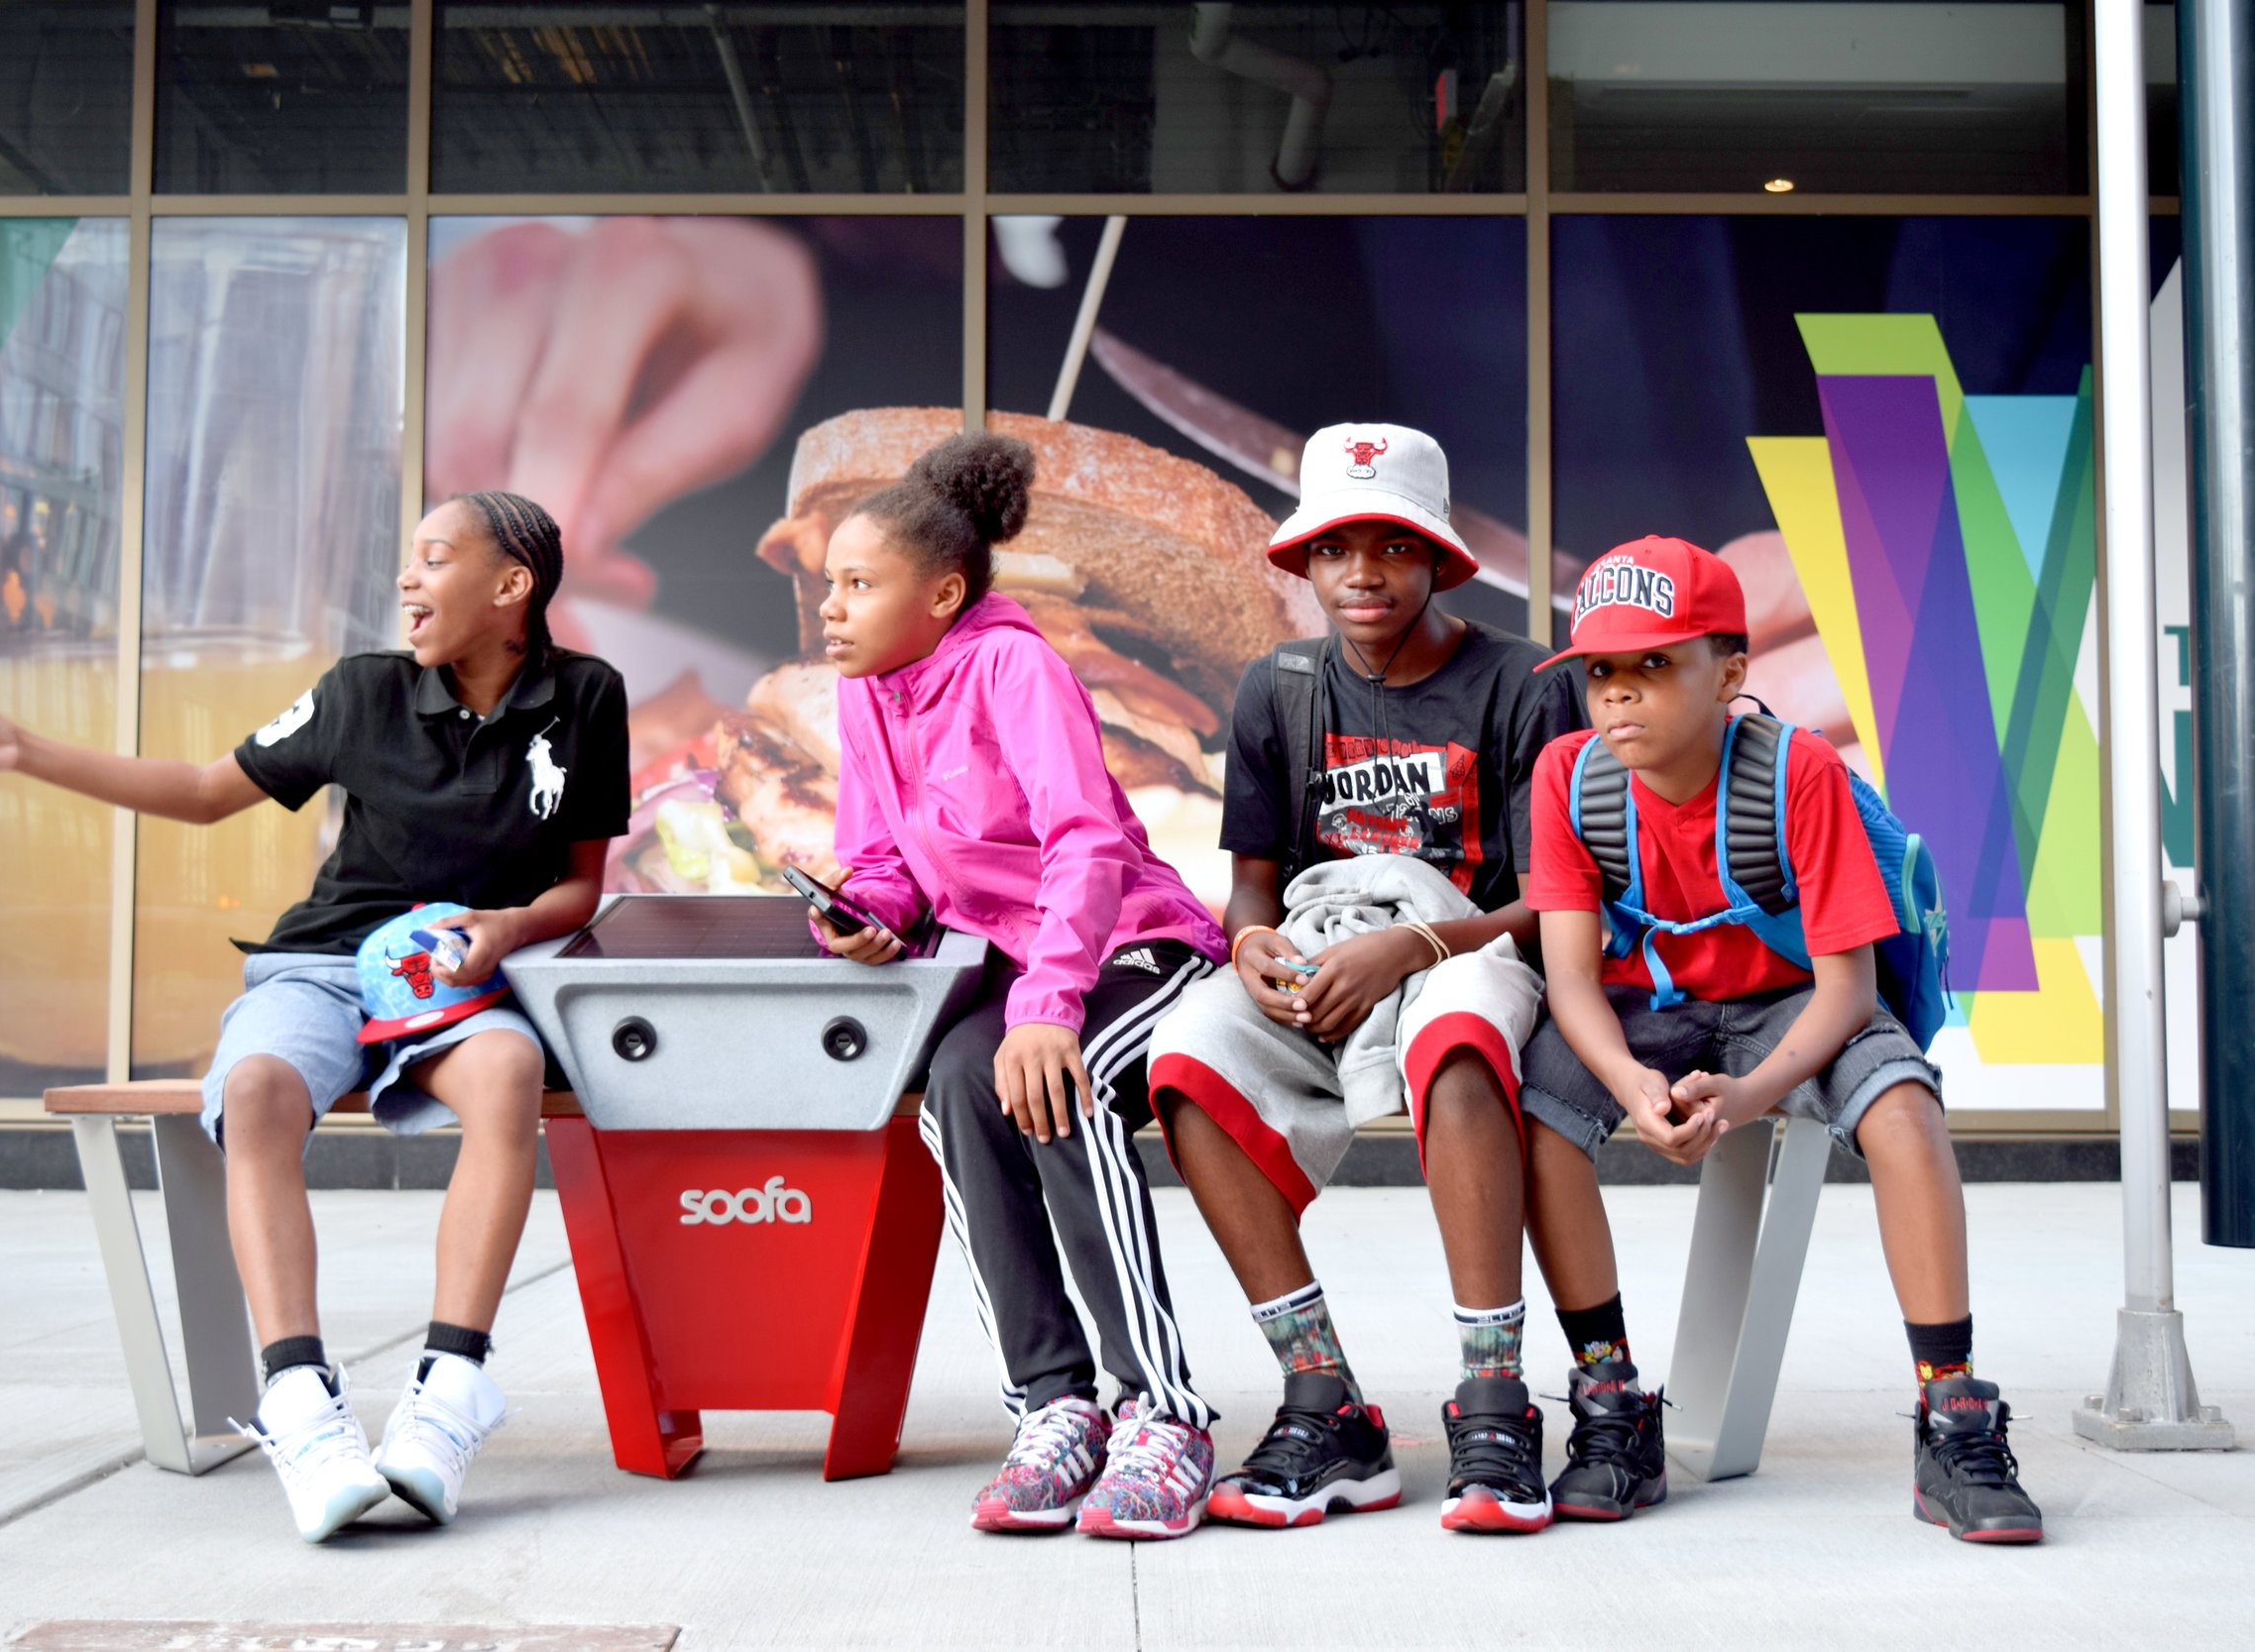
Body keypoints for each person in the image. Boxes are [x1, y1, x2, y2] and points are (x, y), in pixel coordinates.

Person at [0, 493, 629, 1543]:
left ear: (511, 586)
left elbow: (578, 887)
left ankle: (451, 1387)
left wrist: (507, 927)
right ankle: (299, 1397)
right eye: (409, 558)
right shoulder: (360, 690)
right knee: (250, 1088)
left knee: (510, 1076)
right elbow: (206, 792)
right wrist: (30, 753)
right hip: (325, 961)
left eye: (435, 557)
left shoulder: (585, 696)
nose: (407, 578)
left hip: (462, 970)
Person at [1148, 423, 1662, 1536]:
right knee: (1185, 1052)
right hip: (1322, 956)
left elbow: (1552, 901)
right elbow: (1248, 887)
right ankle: (1324, 1399)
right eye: (1337, 547)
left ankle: (1492, 1400)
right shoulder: (1274, 686)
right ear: (1302, 562)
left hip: (1473, 949)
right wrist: (1250, 950)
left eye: (1392, 544)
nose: (1363, 572)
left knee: (1463, 1032)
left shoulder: (1523, 679)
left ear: (1441, 558)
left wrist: (1414, 947)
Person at [1521, 533, 2044, 1544]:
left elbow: (1847, 987)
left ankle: (1953, 1408)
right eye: (1599, 672)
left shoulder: (1793, 767)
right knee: (1536, 1111)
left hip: (1792, 1004)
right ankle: (1610, 1400)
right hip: (1646, 1007)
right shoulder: (1567, 778)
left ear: (1727, 671)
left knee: (1903, 1107)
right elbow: (1572, 978)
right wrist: (1630, 1079)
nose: (1619, 695)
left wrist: (1752, 1092)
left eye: (1653, 666)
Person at [811, 430, 1229, 1540]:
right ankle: (1054, 1405)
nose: (832, 608)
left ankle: (1163, 1411)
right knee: (957, 1084)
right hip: (1015, 963)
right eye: (827, 586)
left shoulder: (1014, 664)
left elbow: (1083, 843)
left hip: (1131, 943)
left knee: (1064, 1078)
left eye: (859, 584)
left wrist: (1045, 1010)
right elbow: (887, 859)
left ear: (943, 592)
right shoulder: (864, 692)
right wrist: (870, 913)